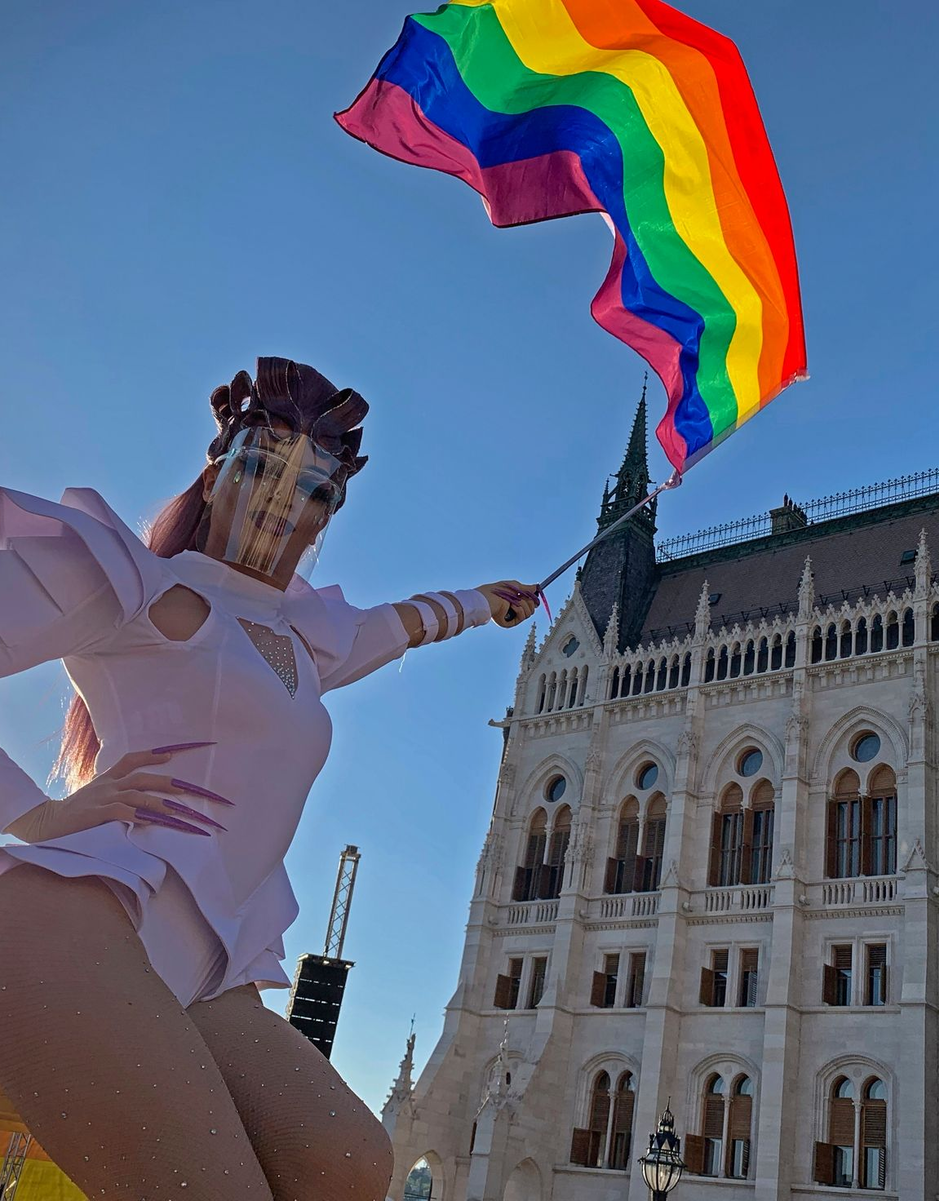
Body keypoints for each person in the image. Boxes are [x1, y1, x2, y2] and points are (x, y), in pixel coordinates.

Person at [0, 357, 539, 1199]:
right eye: (262, 466)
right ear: (215, 473)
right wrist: (34, 812)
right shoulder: (138, 583)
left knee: (346, 1162)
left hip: (210, 966)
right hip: (76, 924)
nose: (286, 500)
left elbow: (405, 622)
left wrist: (486, 601)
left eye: (316, 489)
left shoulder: (306, 641)